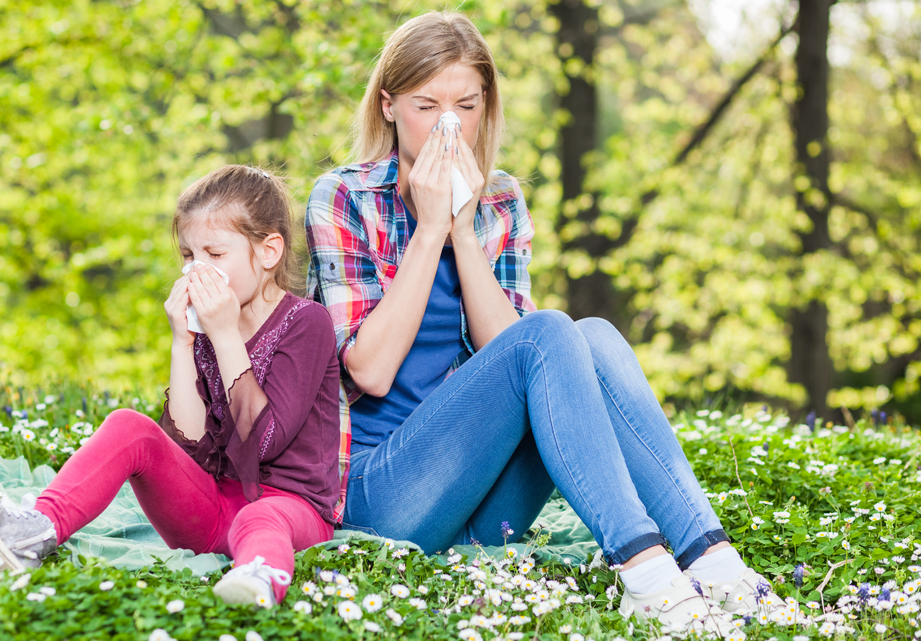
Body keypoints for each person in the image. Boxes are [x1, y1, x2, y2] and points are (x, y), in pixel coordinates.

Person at [305, 11, 774, 633]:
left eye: (466, 106)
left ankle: (710, 559)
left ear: (485, 107)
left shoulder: (499, 199)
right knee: (555, 330)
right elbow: (369, 370)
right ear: (388, 106)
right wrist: (430, 229)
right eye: (426, 106)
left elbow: (524, 358)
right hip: (380, 496)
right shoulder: (344, 197)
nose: (449, 125)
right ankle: (644, 570)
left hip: (480, 502)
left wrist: (466, 232)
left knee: (592, 337)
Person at [0, 165, 341, 607]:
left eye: (215, 254)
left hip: (291, 511)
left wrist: (225, 334)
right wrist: (183, 341)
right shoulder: (206, 330)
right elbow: (187, 448)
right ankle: (32, 532)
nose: (197, 271)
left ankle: (257, 579)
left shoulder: (306, 323)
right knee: (130, 425)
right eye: (189, 256)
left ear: (268, 252)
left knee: (262, 517)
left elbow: (263, 443)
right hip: (211, 513)